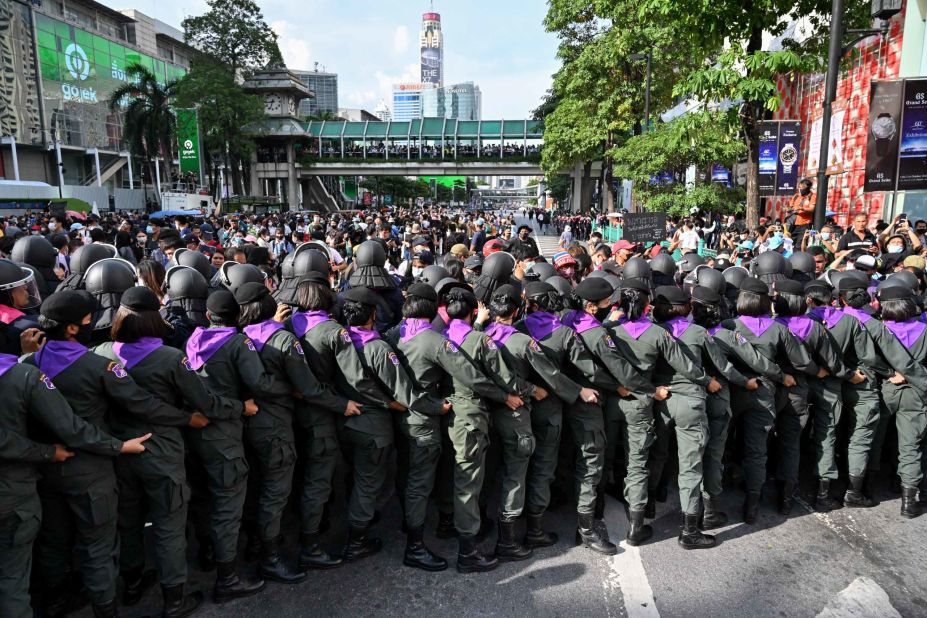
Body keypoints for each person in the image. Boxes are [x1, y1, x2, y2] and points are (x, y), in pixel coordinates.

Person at [93, 286, 235, 616]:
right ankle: (175, 598)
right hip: (162, 449)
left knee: (128, 520)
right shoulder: (170, 358)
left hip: (120, 451)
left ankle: (131, 583)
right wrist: (238, 407)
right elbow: (205, 401)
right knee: (169, 523)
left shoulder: (102, 354)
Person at [0, 348, 149, 618]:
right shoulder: (23, 374)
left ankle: (57, 599)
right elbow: (70, 427)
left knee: (52, 541)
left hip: (44, 477)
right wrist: (117, 446)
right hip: (63, 473)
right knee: (96, 546)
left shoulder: (28, 363)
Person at [184, 289, 269, 602]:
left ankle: (208, 550)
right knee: (228, 508)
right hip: (224, 433)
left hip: (195, 432)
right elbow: (258, 382)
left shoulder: (193, 340)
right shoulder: (239, 343)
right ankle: (228, 579)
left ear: (208, 316)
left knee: (204, 497)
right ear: (238, 317)